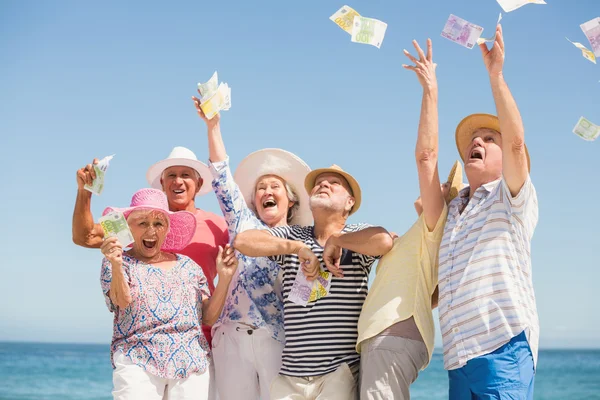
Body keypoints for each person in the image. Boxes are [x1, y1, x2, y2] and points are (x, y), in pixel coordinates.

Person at [437, 25, 539, 399]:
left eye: (488, 139)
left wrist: (495, 75)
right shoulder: (455, 210)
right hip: (457, 357)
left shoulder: (511, 197)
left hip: (502, 347)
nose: (477, 142)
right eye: (473, 141)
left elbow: (516, 143)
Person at [357, 39, 462, 400]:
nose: (439, 185)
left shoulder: (438, 221)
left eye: (445, 186)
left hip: (392, 337)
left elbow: (426, 156)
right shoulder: (422, 238)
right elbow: (430, 294)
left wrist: (430, 90)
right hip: (392, 337)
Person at [234, 165, 394, 400]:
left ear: (349, 202)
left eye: (334, 183)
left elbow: (383, 241)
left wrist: (338, 240)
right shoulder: (294, 236)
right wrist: (297, 248)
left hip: (339, 373)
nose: (324, 184)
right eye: (319, 182)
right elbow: (243, 241)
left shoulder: (356, 236)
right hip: (290, 377)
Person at [191, 97, 312, 399]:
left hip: (279, 340)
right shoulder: (242, 222)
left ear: (291, 198)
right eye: (260, 188)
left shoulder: (305, 238)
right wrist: (213, 125)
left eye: (274, 187)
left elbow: (310, 297)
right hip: (231, 336)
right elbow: (220, 176)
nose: (266, 191)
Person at [72, 146, 229, 346]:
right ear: (162, 183)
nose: (178, 180)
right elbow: (85, 237)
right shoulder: (138, 222)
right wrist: (85, 191)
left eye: (186, 175)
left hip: (206, 337)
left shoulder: (218, 226)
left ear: (198, 184)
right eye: (171, 175)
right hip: (148, 342)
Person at [99, 188, 237, 400]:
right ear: (128, 227)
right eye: (142, 223)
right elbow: (121, 301)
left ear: (167, 229)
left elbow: (208, 317)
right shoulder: (118, 261)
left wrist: (225, 278)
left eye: (158, 223)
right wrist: (116, 265)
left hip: (191, 363)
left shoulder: (189, 266)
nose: (151, 230)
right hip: (137, 359)